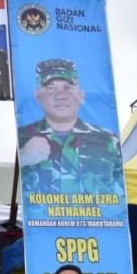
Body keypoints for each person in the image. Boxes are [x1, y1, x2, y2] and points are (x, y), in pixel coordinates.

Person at [18, 58, 123, 195]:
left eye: (68, 87)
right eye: (51, 88)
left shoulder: (109, 141)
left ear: (81, 95)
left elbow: (124, 195)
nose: (60, 95)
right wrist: (23, 157)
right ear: (37, 96)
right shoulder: (21, 138)